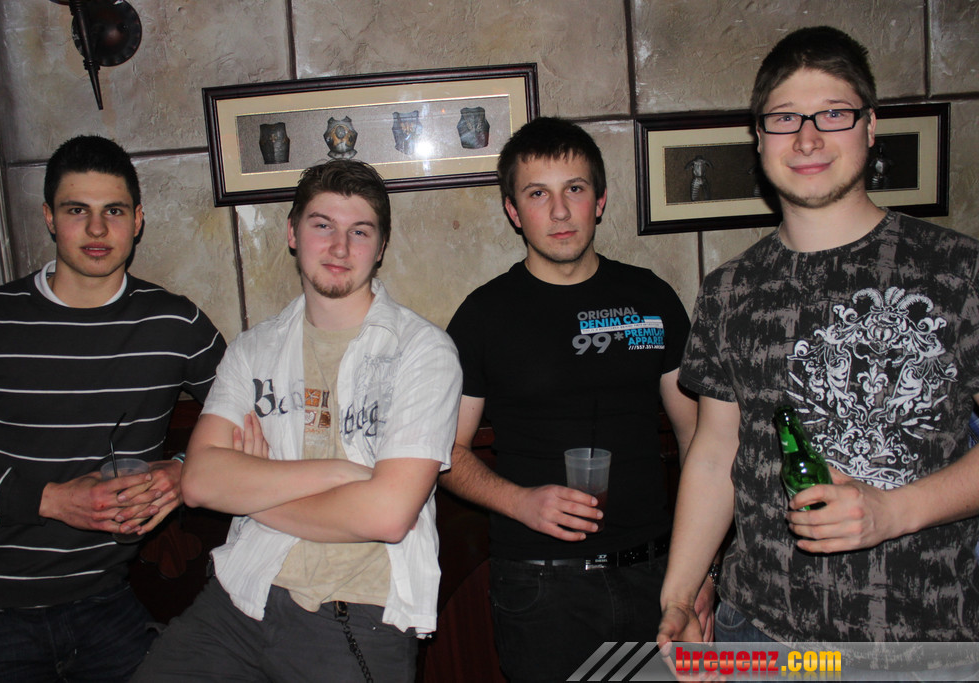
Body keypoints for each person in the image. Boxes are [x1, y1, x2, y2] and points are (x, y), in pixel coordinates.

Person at [658, 25, 979, 654]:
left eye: (832, 113)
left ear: (870, 125)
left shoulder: (959, 271)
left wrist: (893, 511)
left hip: (924, 640)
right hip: (758, 634)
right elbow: (716, 453)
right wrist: (678, 594)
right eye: (784, 118)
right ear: (759, 137)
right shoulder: (728, 290)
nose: (807, 138)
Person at [134, 159, 462, 682]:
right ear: (292, 233)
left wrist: (252, 491)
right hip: (242, 593)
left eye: (360, 232)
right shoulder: (252, 350)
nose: (339, 247)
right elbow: (198, 482)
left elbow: (387, 515)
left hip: (356, 611)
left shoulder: (422, 352)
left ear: (380, 247)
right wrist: (338, 473)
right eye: (322, 225)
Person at [0, 135, 226, 681]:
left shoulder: (174, 324)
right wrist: (53, 500)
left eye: (114, 211)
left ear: (138, 220)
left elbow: (256, 417)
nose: (97, 230)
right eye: (77, 210)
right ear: (50, 219)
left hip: (107, 603)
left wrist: (183, 473)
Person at [442, 116, 700, 682]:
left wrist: (700, 569)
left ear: (599, 201)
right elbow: (445, 455)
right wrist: (520, 502)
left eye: (574, 190)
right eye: (538, 194)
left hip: (658, 575)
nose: (559, 212)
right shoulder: (484, 315)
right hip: (542, 586)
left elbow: (698, 440)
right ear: (513, 211)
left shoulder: (651, 298)